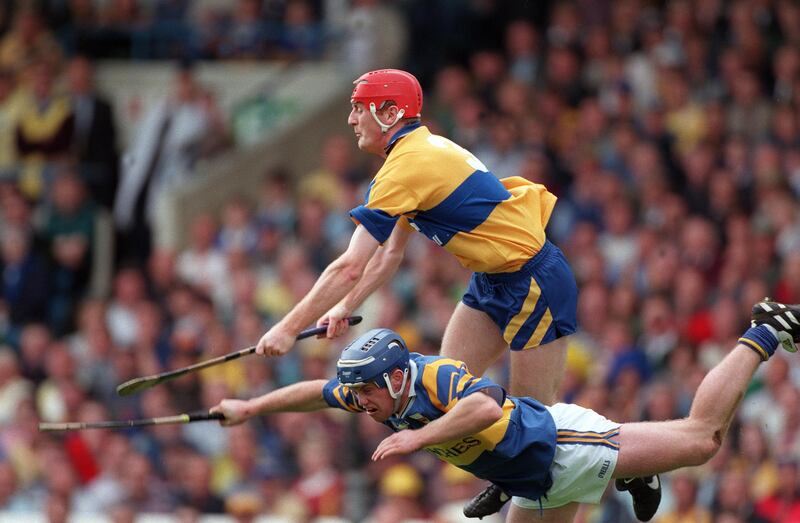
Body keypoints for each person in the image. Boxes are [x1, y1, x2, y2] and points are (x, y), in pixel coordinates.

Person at [253, 68, 657, 518]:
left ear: (390, 113)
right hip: (490, 280)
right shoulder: (411, 155)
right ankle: (506, 479)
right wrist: (345, 308)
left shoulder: (405, 168)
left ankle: (635, 463)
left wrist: (288, 327)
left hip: (532, 280)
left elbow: (349, 265)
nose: (351, 119)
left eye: (358, 108)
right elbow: (387, 258)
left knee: (530, 418)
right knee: (447, 394)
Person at [218, 299, 800, 522]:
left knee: (701, 441)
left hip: (564, 447)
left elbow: (485, 403)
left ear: (394, 376)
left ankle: (763, 331)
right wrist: (250, 405)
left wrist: (417, 441)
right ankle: (634, 469)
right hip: (532, 482)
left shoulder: (437, 378)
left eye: (367, 391)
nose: (360, 402)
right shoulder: (376, 396)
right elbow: (312, 392)